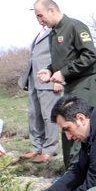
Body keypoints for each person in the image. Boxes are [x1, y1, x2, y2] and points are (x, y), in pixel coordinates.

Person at [33, 0, 96, 168]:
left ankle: (76, 175)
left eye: (41, 16)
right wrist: (50, 70)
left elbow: (90, 56)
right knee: (66, 126)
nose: (40, 21)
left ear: (51, 10)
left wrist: (62, 73)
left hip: (86, 83)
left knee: (75, 125)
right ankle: (70, 173)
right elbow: (62, 60)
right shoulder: (53, 33)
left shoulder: (75, 26)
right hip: (71, 85)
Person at [17, 25, 62, 163]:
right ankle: (36, 147)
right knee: (33, 114)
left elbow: (60, 55)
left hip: (49, 79)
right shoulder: (40, 33)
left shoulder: (57, 31)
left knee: (49, 116)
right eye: (36, 15)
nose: (39, 18)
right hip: (33, 78)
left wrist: (58, 79)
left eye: (40, 14)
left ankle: (49, 150)